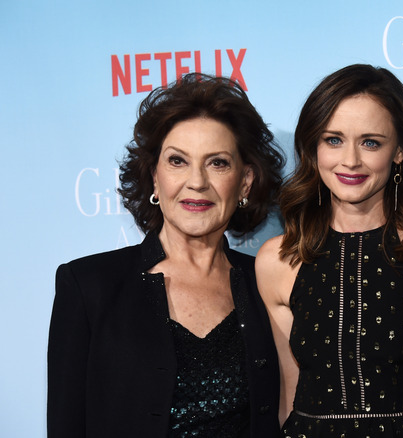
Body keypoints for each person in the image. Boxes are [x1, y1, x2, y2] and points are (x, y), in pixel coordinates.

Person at [47, 73, 284, 437]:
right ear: (155, 177)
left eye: (217, 162)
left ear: (245, 181)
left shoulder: (267, 284)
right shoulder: (89, 286)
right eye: (178, 161)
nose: (197, 181)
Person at [256, 64, 403, 437]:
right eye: (333, 140)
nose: (350, 160)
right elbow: (289, 389)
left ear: (399, 152)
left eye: (370, 142)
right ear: (313, 149)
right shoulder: (279, 259)